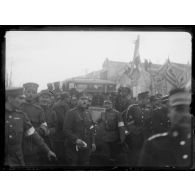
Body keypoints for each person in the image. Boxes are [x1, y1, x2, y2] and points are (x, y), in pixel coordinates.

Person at [139, 88, 192, 168]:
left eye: (187, 110)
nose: (184, 115)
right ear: (170, 113)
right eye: (179, 110)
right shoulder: (153, 145)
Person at [5, 87, 56, 167]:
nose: (23, 101)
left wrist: (47, 150)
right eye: (20, 98)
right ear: (10, 98)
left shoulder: (21, 115)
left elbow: (33, 133)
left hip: (17, 159)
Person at [21, 82, 50, 166]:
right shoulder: (19, 106)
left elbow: (44, 127)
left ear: (36, 94)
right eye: (28, 92)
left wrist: (32, 132)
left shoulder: (39, 110)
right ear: (24, 92)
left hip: (33, 145)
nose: (30, 94)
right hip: (18, 144)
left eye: (33, 92)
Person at [92, 99, 128, 166]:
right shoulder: (102, 113)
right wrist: (93, 124)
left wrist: (122, 138)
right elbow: (97, 122)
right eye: (105, 103)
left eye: (108, 103)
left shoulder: (117, 113)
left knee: (114, 155)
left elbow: (121, 126)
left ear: (112, 104)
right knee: (106, 155)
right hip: (105, 137)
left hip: (114, 137)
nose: (107, 105)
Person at [63, 94, 96, 166]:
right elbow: (66, 130)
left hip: (86, 145)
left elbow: (92, 128)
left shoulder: (88, 113)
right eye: (82, 99)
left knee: (85, 164)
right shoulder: (71, 112)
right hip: (73, 146)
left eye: (86, 100)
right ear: (77, 101)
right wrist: (76, 140)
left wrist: (93, 142)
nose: (84, 102)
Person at [122, 91, 152, 166]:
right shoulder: (133, 108)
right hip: (135, 135)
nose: (147, 101)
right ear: (141, 99)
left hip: (145, 135)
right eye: (146, 99)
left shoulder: (148, 108)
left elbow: (149, 122)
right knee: (135, 153)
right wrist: (136, 131)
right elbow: (129, 123)